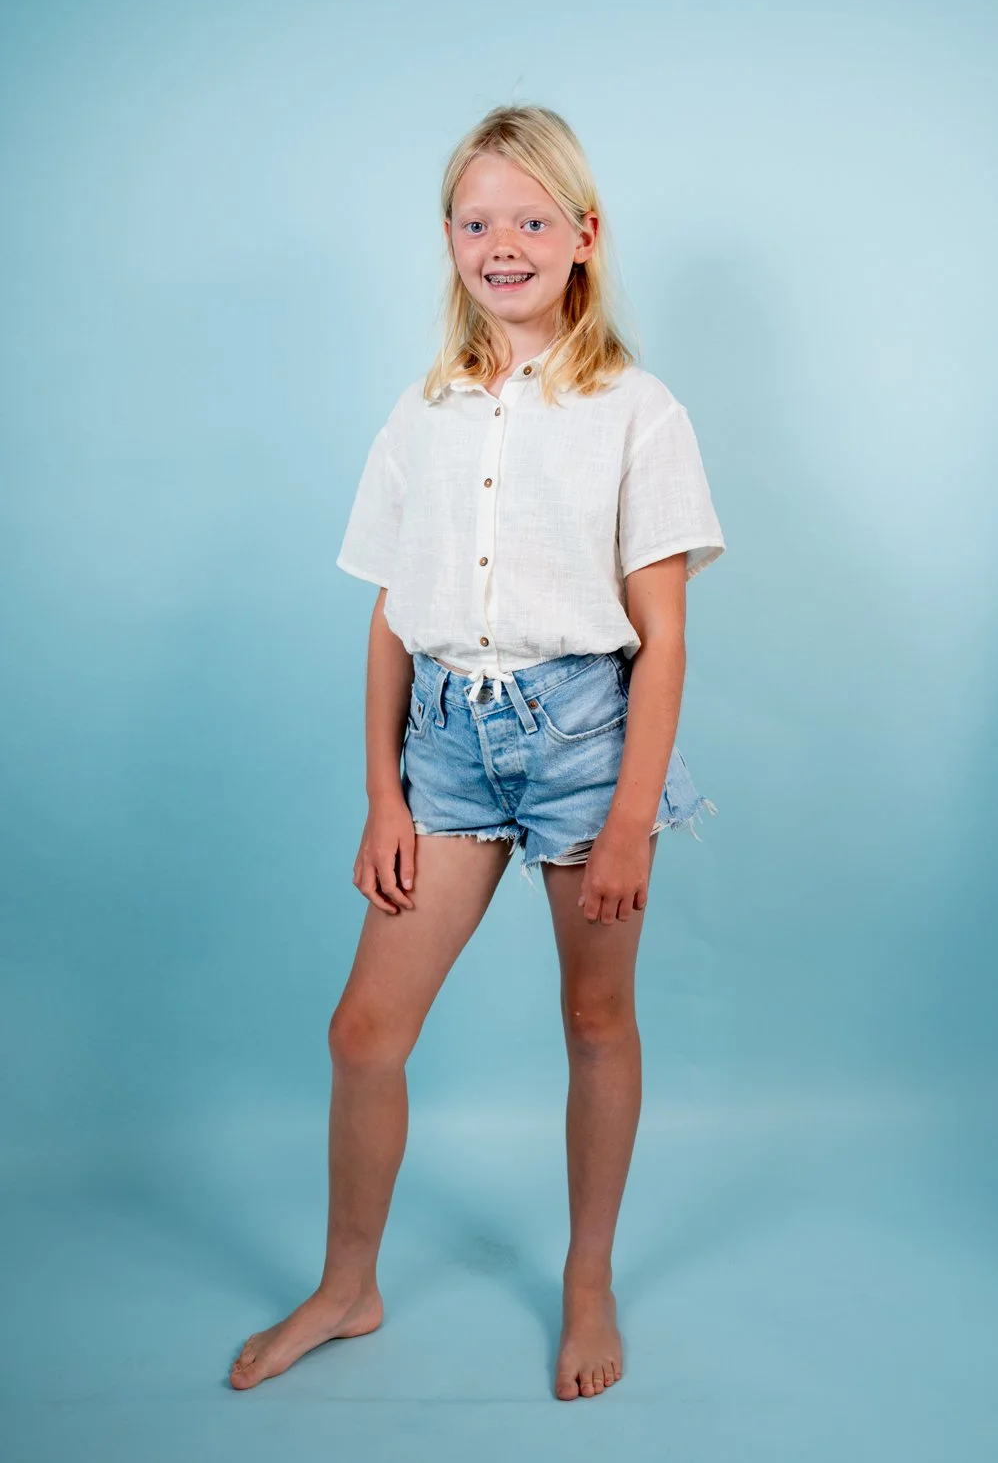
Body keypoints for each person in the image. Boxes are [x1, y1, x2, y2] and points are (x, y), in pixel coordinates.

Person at [229, 103, 725, 1402]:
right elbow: (392, 614)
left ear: (584, 235)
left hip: (585, 744)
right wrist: (383, 793)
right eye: (474, 223)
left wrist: (629, 821)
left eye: (530, 220)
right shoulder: (424, 412)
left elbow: (663, 637)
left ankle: (587, 1279)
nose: (502, 245)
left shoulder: (637, 411)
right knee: (363, 1033)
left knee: (594, 1020)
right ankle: (348, 1285)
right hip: (446, 745)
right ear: (449, 240)